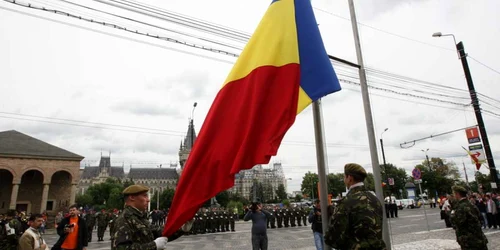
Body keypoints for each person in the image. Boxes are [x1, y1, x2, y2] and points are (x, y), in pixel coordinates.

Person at [325, 163, 386, 249]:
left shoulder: (346, 202)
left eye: (344, 177)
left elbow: (333, 239)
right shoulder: (375, 200)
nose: (344, 180)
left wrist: (333, 217)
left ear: (350, 178)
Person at [112, 185, 193, 250]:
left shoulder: (139, 218)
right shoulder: (124, 219)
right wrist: (154, 246)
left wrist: (181, 229)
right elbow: (121, 248)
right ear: (132, 197)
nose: (148, 200)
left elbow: (159, 232)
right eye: (144, 196)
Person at [450, 186, 488, 250]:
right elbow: (480, 219)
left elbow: (456, 223)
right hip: (479, 238)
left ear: (457, 194)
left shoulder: (460, 207)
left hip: (469, 242)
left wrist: (452, 214)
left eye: (454, 194)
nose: (454, 196)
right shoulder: (472, 205)